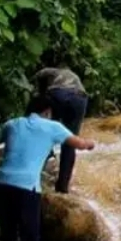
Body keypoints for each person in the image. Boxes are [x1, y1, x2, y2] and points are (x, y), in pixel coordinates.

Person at [0, 95, 96, 241]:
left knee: (10, 218)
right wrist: (90, 144)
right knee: (31, 238)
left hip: (0, 181)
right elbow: (78, 143)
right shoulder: (52, 127)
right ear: (48, 111)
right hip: (26, 185)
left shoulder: (13, 123)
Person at [33, 65, 88, 193]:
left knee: (45, 133)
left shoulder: (48, 71)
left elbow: (40, 96)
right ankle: (62, 187)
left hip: (58, 93)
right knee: (69, 142)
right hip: (80, 98)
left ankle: (34, 173)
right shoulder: (74, 77)